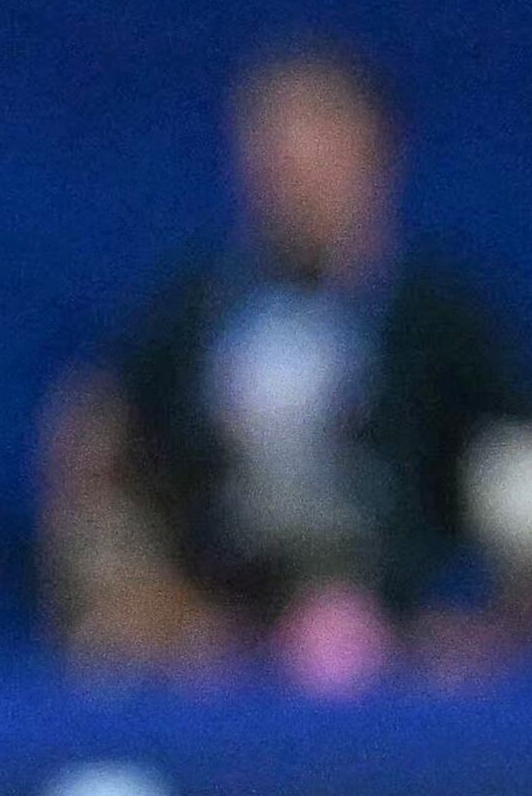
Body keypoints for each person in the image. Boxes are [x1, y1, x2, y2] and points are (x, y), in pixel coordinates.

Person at [99, 40, 528, 683]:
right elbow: (119, 466)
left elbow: (506, 474)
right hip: (215, 639)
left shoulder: (443, 324)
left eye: (322, 154)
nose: (297, 181)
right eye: (275, 158)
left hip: (410, 638)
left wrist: (487, 624)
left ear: (379, 160)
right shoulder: (187, 318)